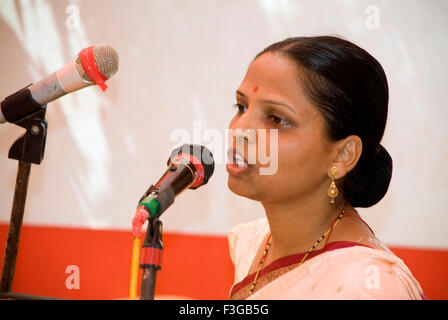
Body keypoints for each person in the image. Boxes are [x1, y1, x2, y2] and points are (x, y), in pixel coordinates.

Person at [226, 36, 425, 300]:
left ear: (342, 155)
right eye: (241, 107)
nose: (239, 130)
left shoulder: (367, 284)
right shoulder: (254, 243)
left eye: (276, 119)